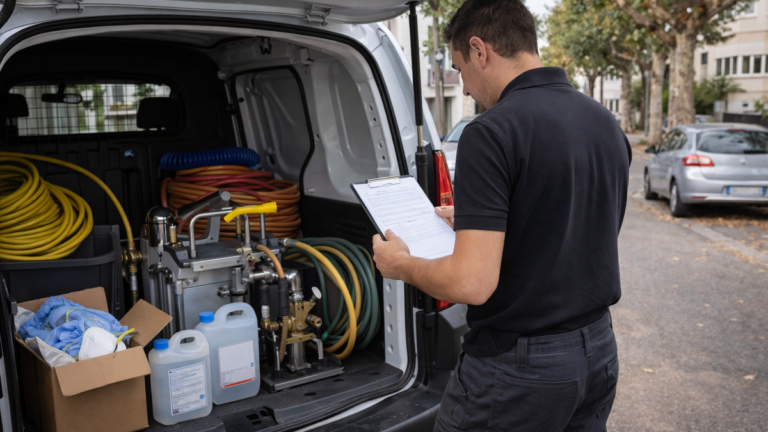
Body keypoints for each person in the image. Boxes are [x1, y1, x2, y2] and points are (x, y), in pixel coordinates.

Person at [371, 0, 631, 430]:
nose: (466, 88)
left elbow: (471, 284)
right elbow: (572, 231)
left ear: (479, 50)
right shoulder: (604, 123)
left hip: (519, 369)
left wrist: (401, 265)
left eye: (458, 69)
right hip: (598, 353)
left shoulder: (491, 132)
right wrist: (484, 222)